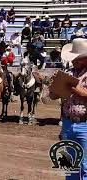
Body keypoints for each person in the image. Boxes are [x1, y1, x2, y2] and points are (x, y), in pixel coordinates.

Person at [49, 39, 87, 180]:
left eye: (77, 58)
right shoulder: (68, 73)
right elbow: (52, 97)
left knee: (85, 165)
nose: (73, 61)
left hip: (84, 124)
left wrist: (76, 89)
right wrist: (55, 87)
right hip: (68, 122)